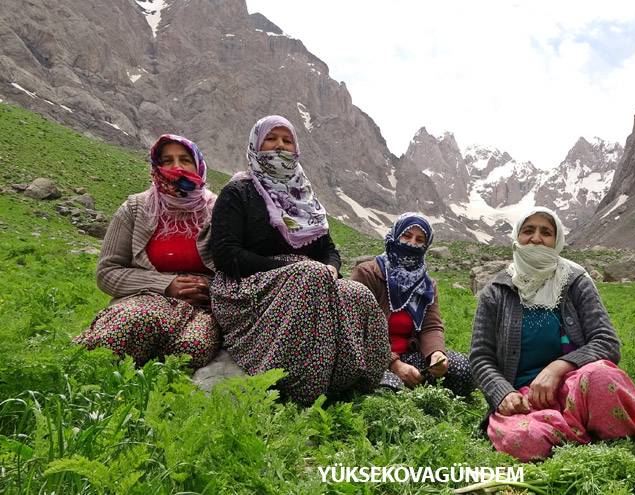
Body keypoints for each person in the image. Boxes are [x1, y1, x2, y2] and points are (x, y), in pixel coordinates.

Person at [209, 114, 389, 405]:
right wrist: (292, 268)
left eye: (287, 140)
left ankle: (357, 381)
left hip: (307, 279)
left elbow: (328, 248)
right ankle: (297, 389)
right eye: (271, 139)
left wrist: (331, 267)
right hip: (246, 287)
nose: (280, 146)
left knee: (356, 293)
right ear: (256, 144)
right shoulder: (238, 192)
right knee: (311, 277)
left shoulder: (305, 199)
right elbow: (226, 254)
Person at [469, 206, 635, 461]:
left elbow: (606, 342)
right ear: (517, 237)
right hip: (526, 402)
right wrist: (503, 393)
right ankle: (593, 435)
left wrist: (558, 368)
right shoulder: (496, 291)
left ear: (557, 240)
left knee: (601, 375)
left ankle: (569, 437)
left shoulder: (574, 281)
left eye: (546, 232)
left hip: (577, 389)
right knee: (523, 439)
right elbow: (481, 356)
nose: (537, 238)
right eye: (528, 230)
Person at [74, 134, 220, 368]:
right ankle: (90, 379)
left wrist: (207, 287)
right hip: (145, 299)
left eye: (184, 160)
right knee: (135, 322)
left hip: (202, 308)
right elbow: (107, 272)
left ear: (198, 165)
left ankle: (157, 393)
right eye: (167, 160)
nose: (176, 167)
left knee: (191, 348)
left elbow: (237, 269)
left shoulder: (218, 210)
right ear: (156, 166)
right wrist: (165, 284)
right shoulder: (136, 208)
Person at [351, 213, 475, 397]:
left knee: (463, 370)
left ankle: (413, 386)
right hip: (371, 357)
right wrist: (394, 364)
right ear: (395, 235)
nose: (412, 243)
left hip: (410, 356)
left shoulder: (426, 285)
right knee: (388, 389)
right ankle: (398, 388)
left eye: (420, 240)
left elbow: (431, 326)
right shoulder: (368, 274)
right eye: (406, 236)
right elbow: (356, 330)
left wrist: (436, 354)